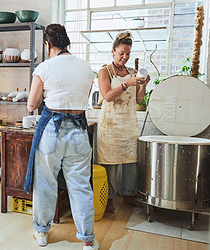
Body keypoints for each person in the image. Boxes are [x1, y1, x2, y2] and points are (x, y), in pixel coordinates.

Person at [24, 24, 99, 250]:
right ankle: (87, 240)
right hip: (78, 133)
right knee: (80, 187)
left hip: (51, 134)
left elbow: (31, 105)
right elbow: (83, 99)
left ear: (48, 44)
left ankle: (42, 233)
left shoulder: (44, 67)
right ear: (67, 42)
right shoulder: (86, 68)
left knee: (45, 184)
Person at [97, 32, 150, 214]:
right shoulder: (105, 71)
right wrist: (126, 84)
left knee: (131, 163)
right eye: (121, 53)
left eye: (128, 53)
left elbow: (138, 100)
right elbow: (107, 96)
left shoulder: (132, 73)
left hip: (128, 126)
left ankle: (129, 195)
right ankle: (109, 198)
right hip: (110, 126)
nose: (125, 57)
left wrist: (143, 85)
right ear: (113, 52)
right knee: (110, 164)